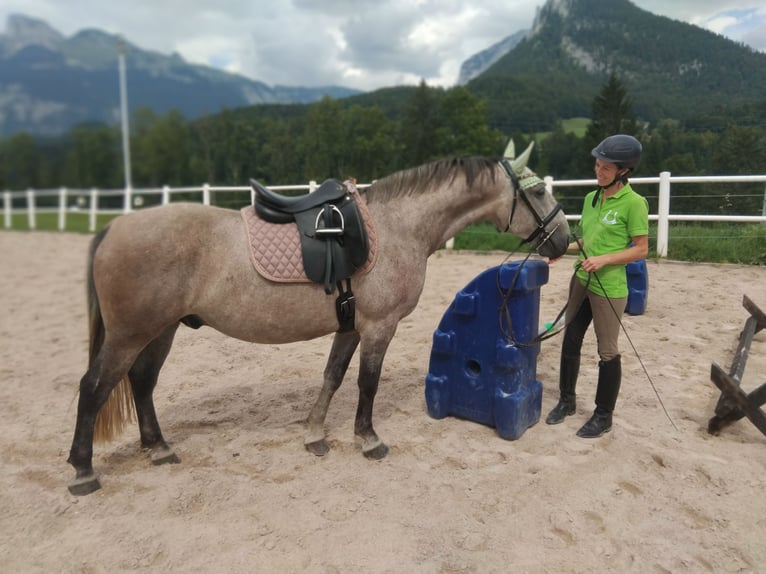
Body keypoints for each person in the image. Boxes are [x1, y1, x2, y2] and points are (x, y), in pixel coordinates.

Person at [545, 134, 649, 438]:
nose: (598, 171)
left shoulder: (634, 204)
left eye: (605, 168)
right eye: (597, 165)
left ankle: (604, 415)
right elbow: (586, 242)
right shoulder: (592, 199)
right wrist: (562, 249)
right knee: (571, 339)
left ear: (624, 171)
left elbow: (641, 249)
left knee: (607, 351)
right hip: (581, 279)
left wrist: (604, 260)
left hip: (610, 288)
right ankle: (567, 401)